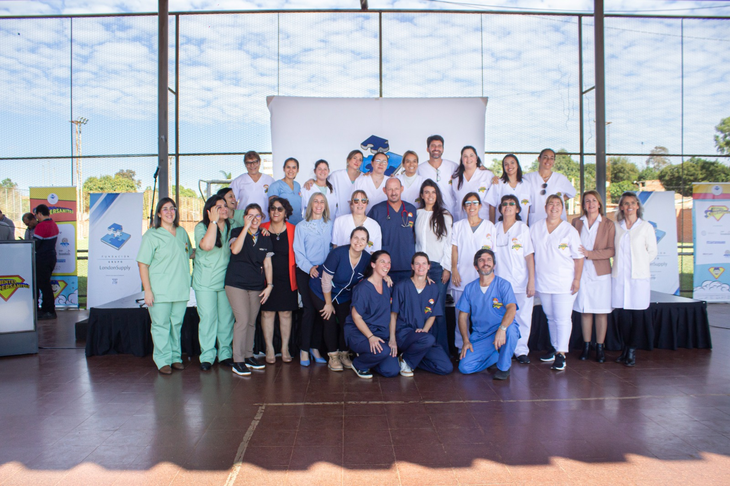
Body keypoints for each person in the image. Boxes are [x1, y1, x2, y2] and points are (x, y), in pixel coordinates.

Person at [136, 198, 193, 374]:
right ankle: (163, 360)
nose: (169, 212)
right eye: (165, 209)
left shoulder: (181, 232)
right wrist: (147, 290)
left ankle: (175, 357)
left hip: (180, 288)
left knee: (176, 325)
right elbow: (143, 264)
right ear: (159, 214)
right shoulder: (151, 235)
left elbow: (190, 253)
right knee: (161, 325)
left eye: (172, 208)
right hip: (160, 289)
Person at [530, 195, 584, 371]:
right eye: (551, 204)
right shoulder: (536, 228)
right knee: (550, 316)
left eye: (558, 204)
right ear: (545, 207)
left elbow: (579, 258)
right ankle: (554, 348)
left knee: (562, 318)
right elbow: (530, 253)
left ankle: (561, 353)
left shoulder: (569, 231)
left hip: (564, 283)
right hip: (543, 281)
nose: (554, 207)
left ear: (562, 208)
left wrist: (577, 279)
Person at [310, 227, 371, 372]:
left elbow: (375, 272)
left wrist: (386, 277)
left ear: (367, 243)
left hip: (343, 293)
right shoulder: (337, 253)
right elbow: (325, 280)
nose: (358, 242)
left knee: (347, 321)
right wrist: (328, 303)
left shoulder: (367, 258)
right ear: (350, 239)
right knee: (329, 318)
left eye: (363, 239)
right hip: (320, 289)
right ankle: (333, 356)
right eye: (356, 238)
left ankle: (344, 354)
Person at [225, 203, 274, 376]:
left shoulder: (265, 237)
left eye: (257, 216)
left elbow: (267, 264)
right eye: (250, 216)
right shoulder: (237, 232)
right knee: (243, 320)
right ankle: (238, 360)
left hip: (256, 285)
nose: (254, 219)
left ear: (262, 218)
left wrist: (270, 285)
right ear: (245, 217)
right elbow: (235, 250)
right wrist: (246, 227)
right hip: (236, 283)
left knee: (251, 321)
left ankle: (248, 356)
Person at [457, 249, 520, 380]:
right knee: (465, 367)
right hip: (481, 335)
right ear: (476, 266)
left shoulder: (503, 285)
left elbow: (512, 308)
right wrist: (466, 341)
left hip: (501, 330)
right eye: (481, 260)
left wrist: (502, 329)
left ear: (494, 265)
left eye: (489, 260)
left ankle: (503, 367)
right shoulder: (469, 288)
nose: (485, 263)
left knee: (511, 330)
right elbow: (462, 316)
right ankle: (497, 356)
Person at [612, 191, 657, 367]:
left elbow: (652, 251)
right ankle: (625, 348)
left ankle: (632, 350)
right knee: (623, 315)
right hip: (620, 278)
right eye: (626, 203)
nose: (629, 206)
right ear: (621, 207)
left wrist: (640, 265)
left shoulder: (645, 227)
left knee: (637, 314)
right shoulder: (617, 227)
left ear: (637, 206)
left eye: (632, 203)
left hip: (638, 278)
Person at [389, 253, 454, 376]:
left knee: (446, 367)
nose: (421, 267)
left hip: (424, 336)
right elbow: (393, 315)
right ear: (412, 266)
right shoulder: (401, 286)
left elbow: (433, 314)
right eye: (417, 264)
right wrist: (392, 339)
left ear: (429, 266)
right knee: (428, 339)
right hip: (404, 334)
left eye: (424, 263)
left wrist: (424, 330)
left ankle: (410, 360)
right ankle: (405, 359)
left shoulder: (433, 288)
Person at [572, 190, 615, 363]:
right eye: (587, 201)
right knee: (585, 311)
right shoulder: (577, 222)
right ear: (583, 204)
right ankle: (586, 346)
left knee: (601, 311)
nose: (590, 204)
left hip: (600, 273)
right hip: (581, 272)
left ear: (599, 203)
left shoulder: (608, 224)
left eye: (593, 201)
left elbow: (611, 250)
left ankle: (600, 347)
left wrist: (590, 254)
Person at [450, 192, 496, 350]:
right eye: (468, 203)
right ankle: (460, 346)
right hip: (461, 276)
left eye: (475, 203)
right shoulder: (458, 226)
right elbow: (454, 249)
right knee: (461, 315)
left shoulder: (489, 226)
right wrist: (454, 269)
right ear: (464, 207)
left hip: (483, 279)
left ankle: (482, 347)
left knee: (483, 314)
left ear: (480, 206)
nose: (471, 206)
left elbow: (493, 254)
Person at [193, 195, 234, 371]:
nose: (224, 209)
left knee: (226, 319)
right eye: (219, 207)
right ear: (210, 211)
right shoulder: (202, 227)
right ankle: (207, 356)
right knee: (208, 318)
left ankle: (225, 354)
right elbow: (207, 245)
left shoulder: (232, 226)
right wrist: (214, 222)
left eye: (225, 206)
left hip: (226, 281)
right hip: (205, 282)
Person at [344, 250, 399, 379]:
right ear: (373, 264)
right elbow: (356, 316)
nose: (387, 265)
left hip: (381, 333)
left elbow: (392, 313)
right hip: (361, 333)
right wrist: (371, 337)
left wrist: (392, 339)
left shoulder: (388, 284)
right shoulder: (363, 288)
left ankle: (371, 357)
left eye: (389, 262)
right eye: (382, 262)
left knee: (392, 371)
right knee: (383, 351)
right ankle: (359, 364)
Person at [494, 195, 535, 364]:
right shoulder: (495, 228)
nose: (508, 206)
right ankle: (504, 348)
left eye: (512, 204)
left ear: (517, 209)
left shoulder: (522, 228)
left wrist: (531, 280)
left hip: (520, 281)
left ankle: (521, 350)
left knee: (522, 316)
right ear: (500, 209)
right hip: (500, 282)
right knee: (500, 316)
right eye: (504, 204)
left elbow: (529, 256)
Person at [293, 193, 333, 366]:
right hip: (306, 271)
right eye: (315, 201)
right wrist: (309, 268)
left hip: (324, 273)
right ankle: (304, 349)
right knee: (309, 310)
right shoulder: (301, 226)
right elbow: (298, 252)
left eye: (322, 201)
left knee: (321, 310)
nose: (319, 204)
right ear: (310, 204)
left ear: (325, 205)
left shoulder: (330, 224)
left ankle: (315, 348)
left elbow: (332, 248)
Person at [415, 179, 452, 354]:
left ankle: (441, 351)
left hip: (438, 268)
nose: (430, 195)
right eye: (427, 192)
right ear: (422, 195)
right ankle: (425, 349)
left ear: (437, 195)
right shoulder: (417, 214)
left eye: (433, 192)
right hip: (420, 269)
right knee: (422, 309)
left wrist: (447, 268)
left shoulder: (445, 215)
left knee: (437, 310)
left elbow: (449, 243)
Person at [260, 197, 298, 364]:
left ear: (285, 212)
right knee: (267, 313)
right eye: (273, 208)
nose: (276, 212)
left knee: (286, 313)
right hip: (265, 279)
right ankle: (269, 348)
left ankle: (284, 348)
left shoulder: (293, 229)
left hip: (287, 277)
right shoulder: (261, 228)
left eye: (280, 209)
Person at [368, 178, 417, 283]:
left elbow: (417, 235)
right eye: (390, 189)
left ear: (402, 189)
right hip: (384, 268)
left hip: (407, 264)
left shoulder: (411, 209)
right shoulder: (377, 210)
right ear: (384, 190)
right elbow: (369, 237)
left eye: (396, 189)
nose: (393, 192)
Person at [523, 148, 576, 224]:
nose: (548, 160)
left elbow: (572, 193)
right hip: (536, 220)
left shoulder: (561, 178)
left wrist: (557, 200)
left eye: (551, 158)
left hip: (557, 221)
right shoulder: (528, 178)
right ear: (539, 159)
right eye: (545, 157)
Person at [305, 150, 363, 217]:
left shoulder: (363, 177)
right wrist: (312, 180)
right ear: (348, 160)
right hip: (339, 216)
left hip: (358, 217)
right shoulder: (336, 175)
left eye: (360, 160)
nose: (357, 161)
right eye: (355, 158)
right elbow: (322, 180)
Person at [418, 135, 459, 216]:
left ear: (443, 149)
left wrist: (481, 167)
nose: (436, 148)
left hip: (451, 212)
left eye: (439, 146)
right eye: (433, 146)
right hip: (429, 214)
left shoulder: (453, 167)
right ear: (427, 149)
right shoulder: (420, 169)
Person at [451, 146, 494, 222]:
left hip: (483, 222)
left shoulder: (487, 175)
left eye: (471, 155)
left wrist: (492, 223)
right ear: (462, 160)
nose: (468, 159)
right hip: (461, 222)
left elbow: (492, 203)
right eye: (465, 156)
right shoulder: (456, 178)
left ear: (476, 158)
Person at [486, 154, 533, 224]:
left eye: (512, 163)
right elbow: (492, 206)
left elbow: (528, 207)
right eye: (506, 164)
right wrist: (492, 225)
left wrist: (526, 224)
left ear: (517, 165)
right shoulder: (498, 183)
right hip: (501, 225)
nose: (509, 166)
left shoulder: (527, 184)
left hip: (521, 225)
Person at [331, 189, 382, 254]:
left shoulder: (375, 226)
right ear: (351, 204)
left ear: (367, 204)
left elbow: (375, 252)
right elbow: (335, 246)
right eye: (356, 201)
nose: (360, 204)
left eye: (363, 201)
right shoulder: (339, 221)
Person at [230, 150, 275, 220]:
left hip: (265, 220)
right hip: (244, 221)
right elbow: (232, 202)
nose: (252, 165)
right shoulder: (238, 181)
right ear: (245, 164)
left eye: (255, 162)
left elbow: (274, 202)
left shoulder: (269, 180)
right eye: (248, 163)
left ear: (259, 162)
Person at [32, 205, 59, 320]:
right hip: (51, 257)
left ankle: (49, 310)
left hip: (42, 259)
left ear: (39, 214)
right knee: (45, 284)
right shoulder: (54, 224)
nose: (36, 218)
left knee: (44, 286)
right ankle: (45, 309)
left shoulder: (41, 226)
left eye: (36, 215)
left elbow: (35, 244)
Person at [267, 157, 303, 226]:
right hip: (283, 226)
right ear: (284, 169)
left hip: (298, 224)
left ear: (297, 170)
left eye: (294, 167)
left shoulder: (297, 185)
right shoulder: (276, 185)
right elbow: (272, 210)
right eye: (288, 167)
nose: (291, 170)